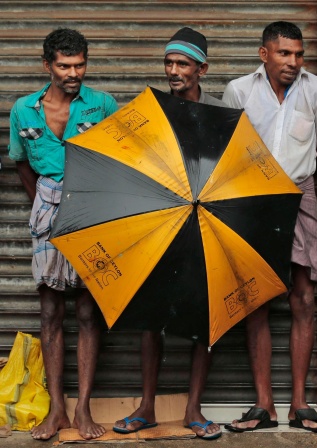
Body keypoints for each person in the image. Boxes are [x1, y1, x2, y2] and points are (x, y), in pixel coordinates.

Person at [222, 21, 317, 432]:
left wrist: (294, 173)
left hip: (300, 192)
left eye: (299, 54)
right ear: (264, 54)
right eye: (285, 53)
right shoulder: (239, 90)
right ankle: (264, 406)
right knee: (256, 299)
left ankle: (300, 405)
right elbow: (229, 145)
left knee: (304, 298)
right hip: (251, 196)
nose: (293, 62)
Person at [112, 27, 223, 440]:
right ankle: (146, 407)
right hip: (158, 219)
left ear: (202, 69)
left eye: (183, 64)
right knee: (149, 317)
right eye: (169, 63)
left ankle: (194, 410)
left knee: (203, 318)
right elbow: (131, 159)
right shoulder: (149, 109)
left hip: (203, 222)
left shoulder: (220, 112)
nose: (173, 71)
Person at [8, 28, 119, 440]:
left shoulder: (103, 104)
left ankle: (84, 409)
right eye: (64, 65)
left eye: (79, 65)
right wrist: (46, 208)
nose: (73, 73)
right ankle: (56, 410)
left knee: (89, 312)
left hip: (93, 207)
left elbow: (121, 162)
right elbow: (22, 164)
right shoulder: (23, 110)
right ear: (47, 66)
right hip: (48, 209)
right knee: (51, 312)